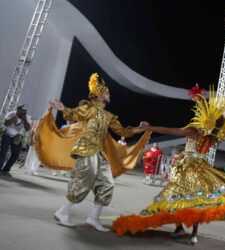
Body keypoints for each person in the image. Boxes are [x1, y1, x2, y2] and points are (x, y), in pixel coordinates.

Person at [112, 90, 225, 245]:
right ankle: (189, 232)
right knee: (194, 201)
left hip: (188, 168)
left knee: (180, 199)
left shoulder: (194, 131)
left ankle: (184, 230)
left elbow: (170, 130)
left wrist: (149, 127)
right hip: (201, 168)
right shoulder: (214, 138)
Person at [39, 73, 150, 232]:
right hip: (86, 150)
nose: (109, 95)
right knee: (84, 181)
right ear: (99, 94)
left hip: (100, 153)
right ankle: (62, 212)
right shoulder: (89, 109)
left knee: (107, 184)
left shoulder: (108, 116)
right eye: (106, 92)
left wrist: (140, 128)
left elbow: (123, 132)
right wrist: (63, 108)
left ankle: (93, 218)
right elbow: (75, 114)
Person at [0, 104, 31, 177]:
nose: (23, 113)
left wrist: (25, 120)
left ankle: (6, 170)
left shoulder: (26, 117)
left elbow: (27, 129)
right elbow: (6, 124)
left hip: (16, 137)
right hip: (7, 135)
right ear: (18, 110)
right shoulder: (11, 114)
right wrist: (14, 118)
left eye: (25, 111)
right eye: (22, 111)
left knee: (16, 154)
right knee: (3, 153)